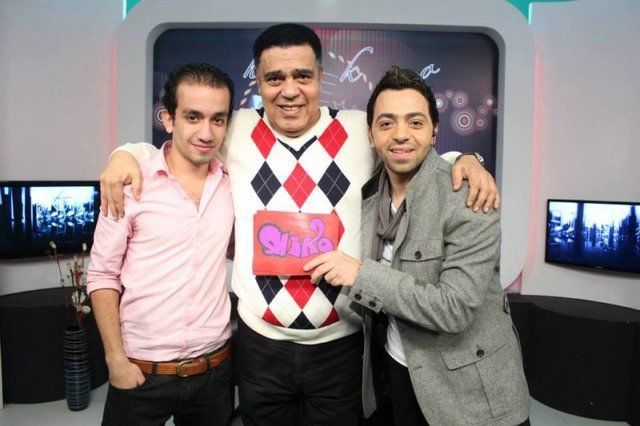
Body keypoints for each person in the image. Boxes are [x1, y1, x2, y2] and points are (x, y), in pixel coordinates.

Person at [99, 24, 499, 425]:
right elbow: (181, 143)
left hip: (341, 344)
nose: (289, 90)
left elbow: (408, 146)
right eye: (275, 78)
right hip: (260, 344)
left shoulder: (359, 128)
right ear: (258, 81)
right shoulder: (233, 128)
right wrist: (126, 152)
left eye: (302, 76)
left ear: (321, 77)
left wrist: (464, 159)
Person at [304, 66, 530, 425]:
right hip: (396, 373)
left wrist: (360, 274)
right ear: (371, 134)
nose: (400, 134)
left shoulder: (469, 196)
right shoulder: (370, 194)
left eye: (415, 122)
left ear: (434, 130)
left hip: (469, 395)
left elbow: (454, 309)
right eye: (386, 123)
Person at [87, 63, 236, 425]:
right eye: (192, 117)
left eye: (217, 119)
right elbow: (103, 275)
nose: (206, 132)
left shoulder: (233, 183)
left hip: (214, 370)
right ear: (168, 119)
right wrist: (115, 360)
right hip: (141, 370)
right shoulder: (130, 184)